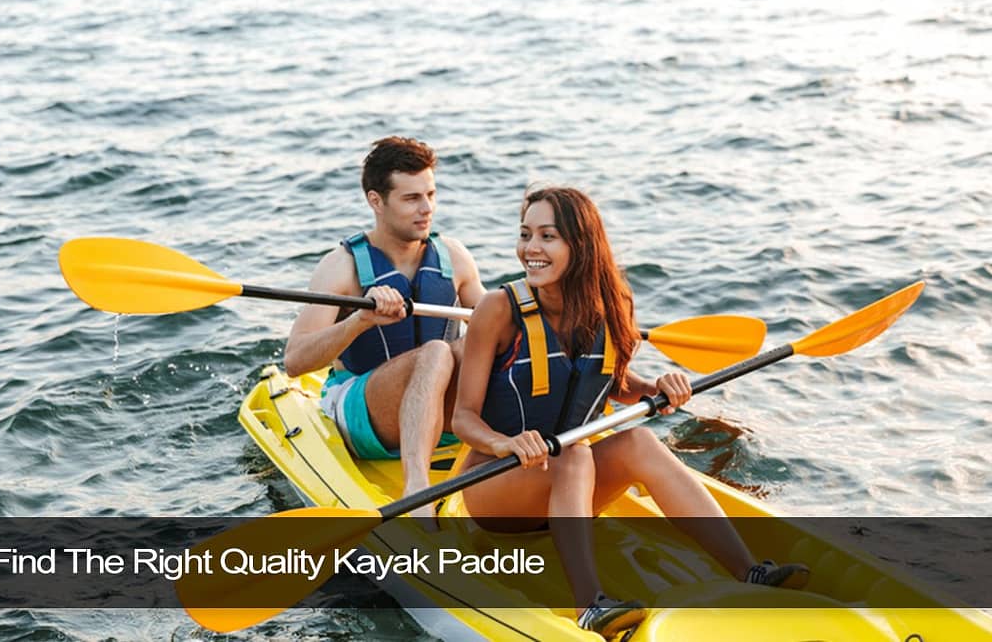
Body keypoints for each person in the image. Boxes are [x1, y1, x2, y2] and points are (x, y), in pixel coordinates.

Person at [451, 186, 808, 638]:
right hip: (496, 489)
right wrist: (506, 444)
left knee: (637, 440)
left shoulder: (610, 304)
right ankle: (589, 607)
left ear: (581, 245)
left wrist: (657, 387)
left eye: (547, 236)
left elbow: (607, 380)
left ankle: (749, 569)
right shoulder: (498, 309)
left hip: (565, 483)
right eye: (526, 235)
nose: (531, 249)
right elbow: (464, 417)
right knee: (577, 454)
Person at [285, 136, 485, 518]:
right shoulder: (341, 267)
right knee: (437, 352)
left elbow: (495, 327)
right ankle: (416, 491)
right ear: (376, 201)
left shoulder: (454, 256)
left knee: (479, 341)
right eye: (411, 199)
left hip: (436, 403)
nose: (427, 209)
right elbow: (295, 362)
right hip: (361, 408)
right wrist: (361, 320)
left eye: (430, 194)